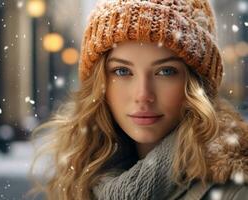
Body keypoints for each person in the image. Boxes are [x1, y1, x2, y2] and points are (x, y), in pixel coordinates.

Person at [31, 0, 248, 199]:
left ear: (196, 84)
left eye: (165, 71)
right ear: (99, 84)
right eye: (122, 71)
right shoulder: (80, 179)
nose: (143, 95)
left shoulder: (235, 192)